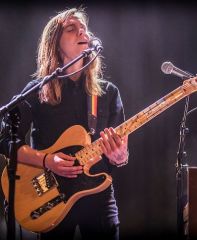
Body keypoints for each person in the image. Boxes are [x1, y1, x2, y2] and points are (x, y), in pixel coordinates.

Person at [0, 7, 129, 240]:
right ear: (54, 43)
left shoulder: (108, 93)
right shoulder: (38, 91)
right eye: (72, 29)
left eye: (85, 30)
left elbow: (120, 155)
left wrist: (120, 156)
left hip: (98, 196)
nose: (83, 34)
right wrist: (47, 161)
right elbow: (6, 140)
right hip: (50, 197)